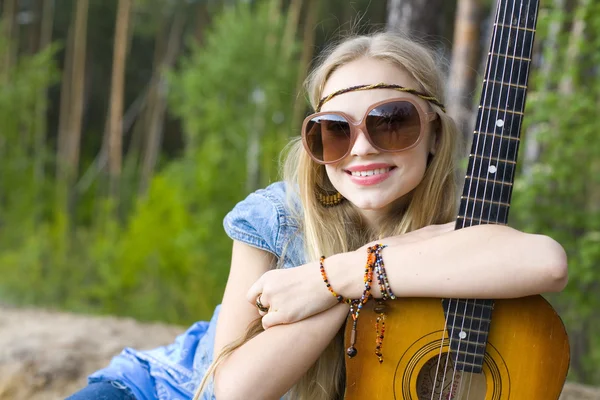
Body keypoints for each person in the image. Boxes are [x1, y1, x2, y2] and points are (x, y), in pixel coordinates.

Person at [66, 31, 568, 400]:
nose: (363, 149)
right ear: (314, 144)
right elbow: (236, 390)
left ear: (435, 133)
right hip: (162, 391)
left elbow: (547, 262)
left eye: (391, 122)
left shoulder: (456, 225)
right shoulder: (277, 216)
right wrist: (356, 277)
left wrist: (338, 276)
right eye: (335, 130)